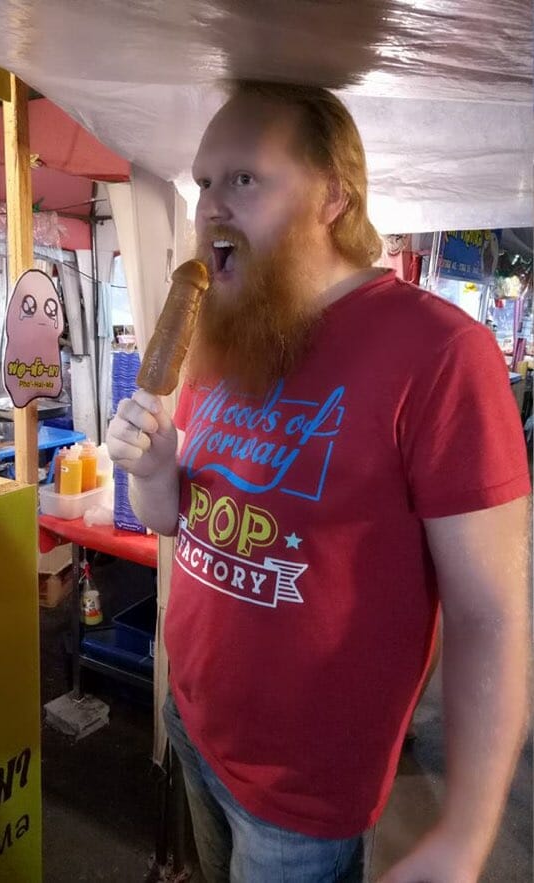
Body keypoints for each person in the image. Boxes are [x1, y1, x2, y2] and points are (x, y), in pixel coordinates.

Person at [107, 81, 530, 883]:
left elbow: (490, 615)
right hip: (193, 722)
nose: (209, 207)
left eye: (243, 179)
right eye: (203, 182)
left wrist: (465, 835)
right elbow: (177, 523)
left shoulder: (440, 353)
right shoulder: (221, 335)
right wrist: (157, 469)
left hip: (302, 794)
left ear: (333, 194)